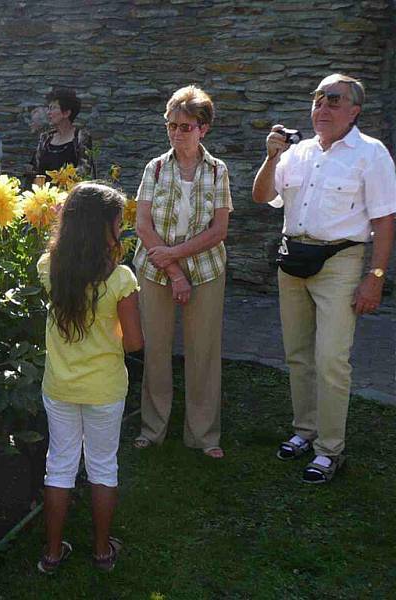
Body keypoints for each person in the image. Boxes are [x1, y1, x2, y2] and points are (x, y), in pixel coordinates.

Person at [251, 73, 396, 484]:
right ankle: (305, 430)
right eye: (318, 99)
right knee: (298, 354)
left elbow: (386, 220)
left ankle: (330, 450)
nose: (323, 107)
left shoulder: (371, 153)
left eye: (334, 100)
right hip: (293, 258)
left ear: (354, 110)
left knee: (331, 358)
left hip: (341, 261)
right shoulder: (297, 153)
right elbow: (262, 197)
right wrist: (271, 156)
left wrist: (376, 276)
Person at [36, 182, 143, 575]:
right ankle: (101, 551)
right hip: (104, 388)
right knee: (102, 466)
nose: (122, 228)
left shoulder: (48, 267)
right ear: (106, 229)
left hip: (59, 385)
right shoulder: (121, 281)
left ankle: (51, 553)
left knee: (59, 465)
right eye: (119, 222)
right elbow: (133, 342)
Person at [132, 85, 233, 459]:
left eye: (185, 126)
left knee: (203, 352)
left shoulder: (217, 170)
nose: (177, 132)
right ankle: (152, 429)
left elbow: (219, 230)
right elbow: (142, 224)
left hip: (206, 271)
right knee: (156, 350)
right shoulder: (155, 168)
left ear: (203, 128)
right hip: (157, 271)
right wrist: (174, 270)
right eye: (171, 125)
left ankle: (204, 435)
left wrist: (175, 254)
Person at [30, 88, 96, 180]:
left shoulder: (80, 137)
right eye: (48, 108)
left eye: (53, 108)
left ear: (66, 113)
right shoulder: (45, 138)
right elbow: (35, 170)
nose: (49, 113)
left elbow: (86, 172)